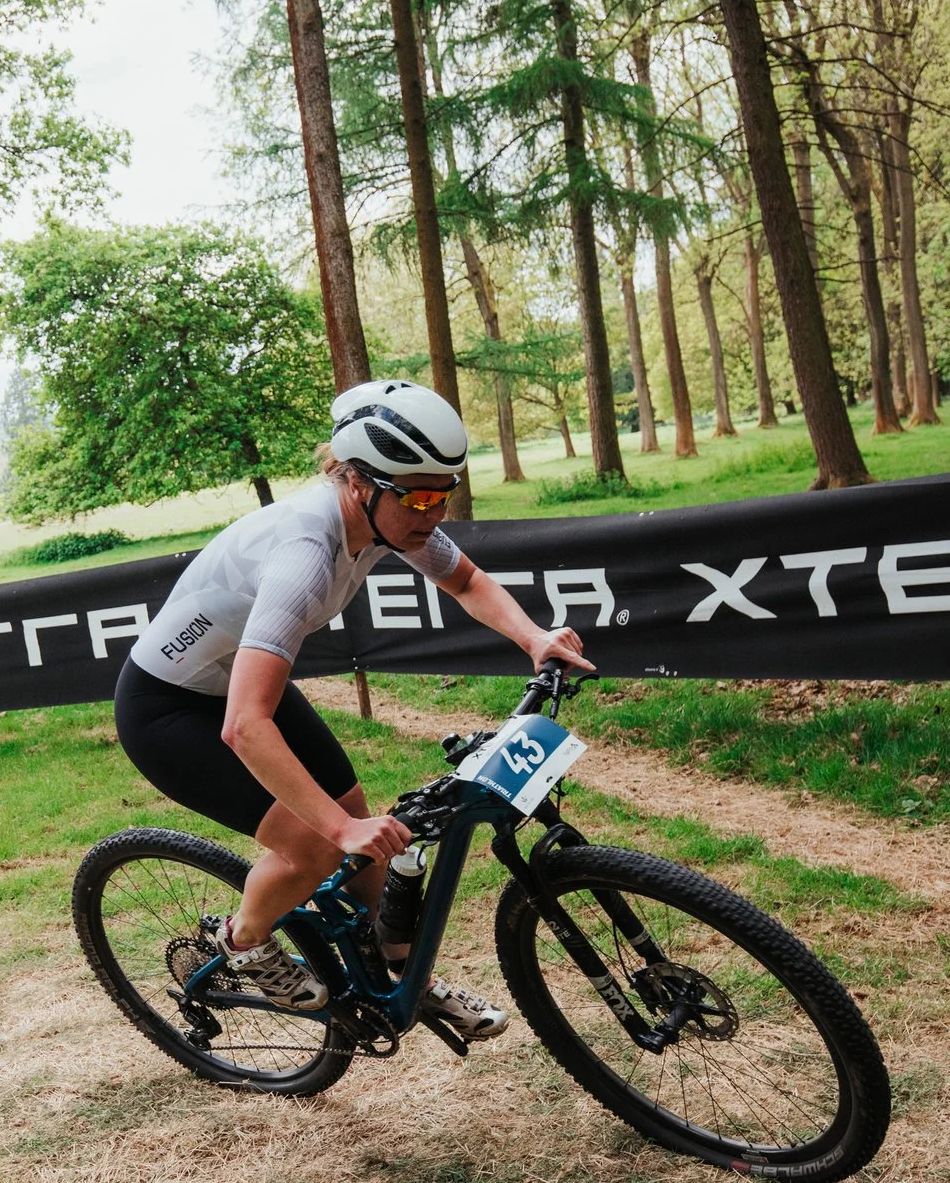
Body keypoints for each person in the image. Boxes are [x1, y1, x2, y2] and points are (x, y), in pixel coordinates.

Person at [114, 379, 593, 1035]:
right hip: (168, 709)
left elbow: (467, 580)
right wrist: (338, 835)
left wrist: (533, 637)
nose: (436, 513)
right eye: (422, 497)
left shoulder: (393, 515)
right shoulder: (304, 553)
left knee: (360, 817)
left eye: (444, 493)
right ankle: (242, 941)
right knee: (316, 845)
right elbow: (244, 724)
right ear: (360, 483)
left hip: (231, 684)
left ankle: (408, 976)